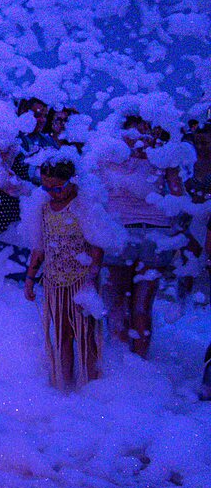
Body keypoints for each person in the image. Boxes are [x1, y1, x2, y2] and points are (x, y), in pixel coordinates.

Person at [99, 115, 185, 358]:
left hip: (120, 234)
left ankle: (124, 368)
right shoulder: (161, 157)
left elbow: (93, 193)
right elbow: (178, 195)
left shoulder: (108, 156)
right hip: (156, 236)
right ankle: (140, 362)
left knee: (116, 304)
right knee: (141, 306)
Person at [23, 160, 105, 390]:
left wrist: (90, 281)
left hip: (81, 279)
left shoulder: (83, 206)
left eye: (58, 188)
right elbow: (39, 246)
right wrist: (30, 279)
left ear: (72, 182)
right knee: (62, 335)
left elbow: (97, 247)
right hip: (53, 280)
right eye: (46, 188)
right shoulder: (44, 208)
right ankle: (65, 385)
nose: (53, 193)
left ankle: (91, 387)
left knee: (86, 335)